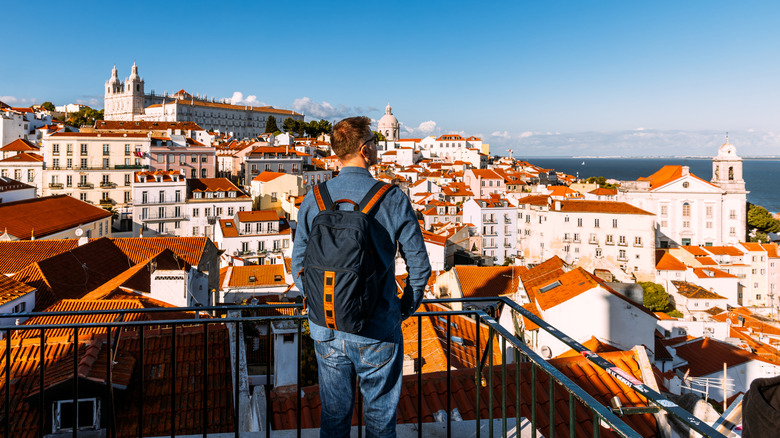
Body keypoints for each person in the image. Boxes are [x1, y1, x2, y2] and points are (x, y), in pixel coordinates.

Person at [292, 116, 431, 437]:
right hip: (377, 326)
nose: (378, 146)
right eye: (374, 141)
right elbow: (420, 267)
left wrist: (322, 299)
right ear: (365, 150)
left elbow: (298, 264)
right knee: (380, 420)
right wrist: (401, 308)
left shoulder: (316, 196)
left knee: (335, 416)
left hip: (326, 326)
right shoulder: (392, 198)